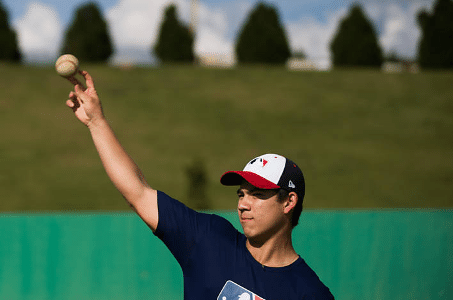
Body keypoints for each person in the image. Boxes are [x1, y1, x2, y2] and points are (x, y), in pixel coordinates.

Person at [64, 70, 334, 300]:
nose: (242, 204)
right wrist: (95, 122)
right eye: (241, 194)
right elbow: (138, 192)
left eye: (257, 194)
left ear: (288, 202)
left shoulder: (309, 292)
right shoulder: (209, 239)